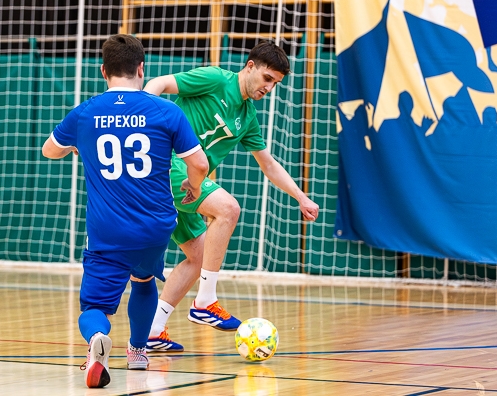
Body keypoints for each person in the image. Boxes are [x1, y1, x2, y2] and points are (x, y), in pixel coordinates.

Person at [41, 34, 208, 388]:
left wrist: (75, 147)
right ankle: (138, 352)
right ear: (141, 69)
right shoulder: (166, 111)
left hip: (108, 231)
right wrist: (194, 186)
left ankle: (97, 340)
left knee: (94, 309)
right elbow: (200, 164)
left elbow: (49, 150)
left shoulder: (85, 112)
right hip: (155, 227)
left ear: (104, 71)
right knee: (144, 280)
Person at [143, 41, 319, 352]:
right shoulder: (215, 79)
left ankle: (153, 331)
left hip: (191, 183)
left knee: (198, 257)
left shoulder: (247, 116)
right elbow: (160, 83)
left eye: (275, 84)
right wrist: (142, 115)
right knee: (228, 208)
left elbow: (268, 164)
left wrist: (300, 197)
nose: (269, 88)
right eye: (267, 78)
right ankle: (205, 302)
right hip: (167, 166)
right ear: (250, 66)